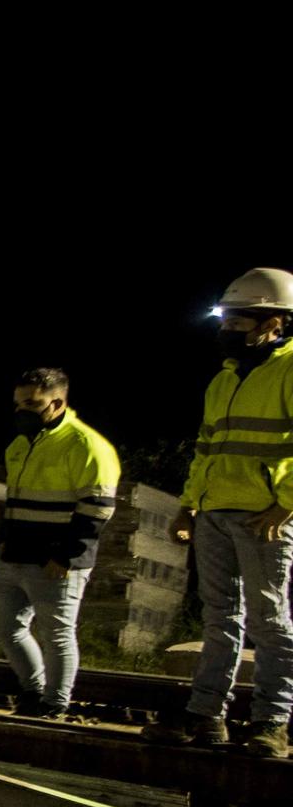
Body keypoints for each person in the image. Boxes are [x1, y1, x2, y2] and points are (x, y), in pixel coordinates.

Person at [148, 269, 293, 756]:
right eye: (226, 319)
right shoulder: (224, 379)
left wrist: (285, 506)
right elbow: (206, 450)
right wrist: (189, 506)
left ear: (272, 322)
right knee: (220, 620)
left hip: (262, 518)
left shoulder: (291, 371)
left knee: (269, 620)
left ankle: (272, 722)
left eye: (236, 320)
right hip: (213, 514)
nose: (226, 329)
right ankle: (206, 715)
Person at [0, 368, 120, 719]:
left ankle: (54, 703)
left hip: (56, 562)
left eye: (32, 403)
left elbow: (98, 508)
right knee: (5, 628)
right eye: (18, 403)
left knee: (57, 634)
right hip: (16, 557)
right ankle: (34, 690)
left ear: (57, 402)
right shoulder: (20, 445)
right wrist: (3, 545)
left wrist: (66, 556)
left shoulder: (86, 445)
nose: (21, 410)